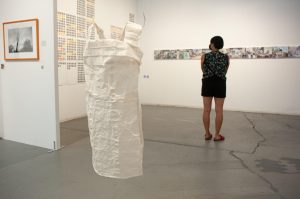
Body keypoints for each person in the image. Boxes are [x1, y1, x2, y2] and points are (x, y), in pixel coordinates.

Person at [201, 36, 230, 141]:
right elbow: (225, 71)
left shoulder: (205, 56)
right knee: (219, 111)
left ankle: (207, 134)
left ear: (212, 44)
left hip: (207, 82)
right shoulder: (225, 57)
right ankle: (217, 135)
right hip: (220, 83)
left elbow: (203, 70)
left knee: (206, 110)